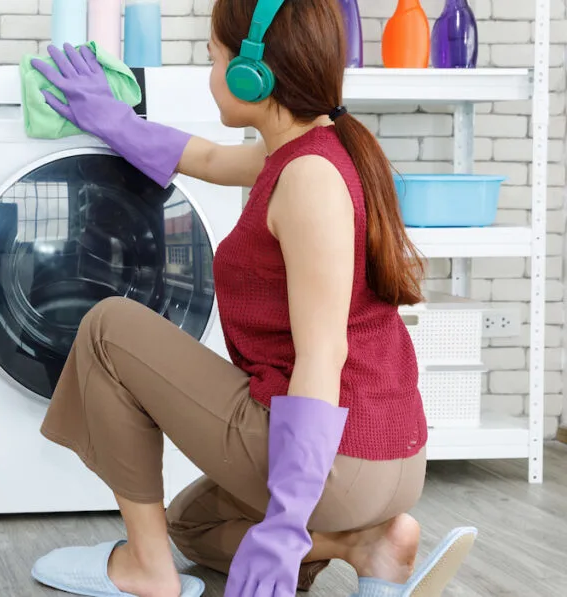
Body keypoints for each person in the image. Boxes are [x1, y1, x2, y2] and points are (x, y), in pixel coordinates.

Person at [25, 1, 478, 596]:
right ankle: (363, 543)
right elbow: (208, 159)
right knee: (193, 524)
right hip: (386, 456)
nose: (210, 73)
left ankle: (146, 570)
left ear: (252, 74)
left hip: (339, 455)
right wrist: (114, 119)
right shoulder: (316, 148)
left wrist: (287, 523)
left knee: (108, 326)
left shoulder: (309, 180)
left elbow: (322, 358)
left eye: (213, 58)